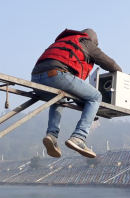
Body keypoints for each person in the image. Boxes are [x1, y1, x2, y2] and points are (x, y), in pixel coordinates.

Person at [31, 28, 122, 158]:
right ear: (93, 41)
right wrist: (122, 75)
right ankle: (79, 137)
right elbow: (110, 64)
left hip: (36, 78)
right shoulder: (86, 42)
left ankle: (52, 135)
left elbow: (74, 92)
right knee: (96, 96)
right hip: (57, 75)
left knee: (59, 99)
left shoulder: (63, 41)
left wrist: (88, 110)